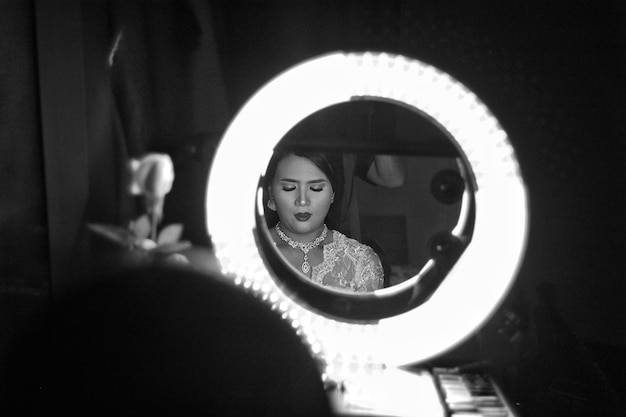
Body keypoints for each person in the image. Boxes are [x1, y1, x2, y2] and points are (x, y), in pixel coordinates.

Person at [264, 149, 384, 292]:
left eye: (316, 188)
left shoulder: (361, 261)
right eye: (289, 188)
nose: (302, 201)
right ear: (271, 193)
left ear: (332, 194)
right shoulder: (247, 255)